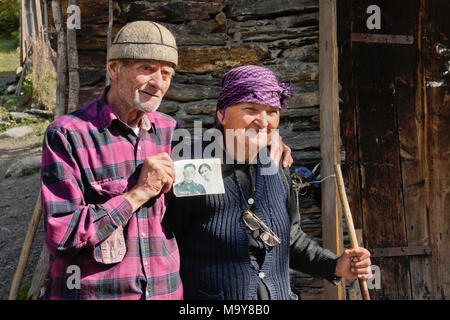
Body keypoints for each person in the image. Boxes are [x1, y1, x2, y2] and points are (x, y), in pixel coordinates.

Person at [41, 22, 292, 300]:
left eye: (166, 73)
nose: (158, 82)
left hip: (166, 293)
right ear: (114, 69)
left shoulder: (173, 133)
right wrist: (138, 194)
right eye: (147, 68)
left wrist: (267, 139)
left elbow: (233, 143)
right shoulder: (69, 135)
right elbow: (62, 236)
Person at [164, 65, 372, 300]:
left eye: (272, 111)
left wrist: (334, 265)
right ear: (221, 113)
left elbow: (289, 238)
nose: (263, 121)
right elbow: (165, 242)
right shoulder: (192, 166)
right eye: (250, 109)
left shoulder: (277, 164)